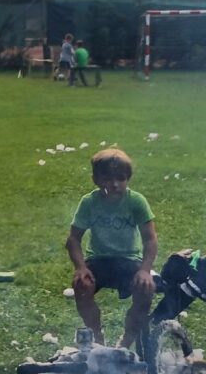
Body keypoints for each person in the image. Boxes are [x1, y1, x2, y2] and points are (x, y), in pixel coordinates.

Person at [66, 148, 157, 348]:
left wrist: (145, 270)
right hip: (99, 259)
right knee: (82, 286)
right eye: (107, 179)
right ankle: (96, 336)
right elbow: (73, 239)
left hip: (129, 260)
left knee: (145, 288)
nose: (115, 184)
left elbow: (150, 239)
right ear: (96, 179)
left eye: (121, 178)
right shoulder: (89, 202)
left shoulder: (136, 201)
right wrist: (80, 267)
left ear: (128, 179)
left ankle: (127, 340)